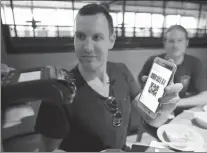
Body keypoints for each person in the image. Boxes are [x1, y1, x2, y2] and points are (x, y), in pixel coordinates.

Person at [35, 4, 183, 152]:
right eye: (80, 36)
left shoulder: (121, 71)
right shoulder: (57, 94)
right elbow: (46, 151)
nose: (87, 47)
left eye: (96, 37)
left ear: (111, 40)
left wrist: (164, 110)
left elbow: (151, 119)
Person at [138, 25, 207, 116]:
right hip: (155, 114)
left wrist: (173, 103)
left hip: (183, 114)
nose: (175, 45)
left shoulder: (195, 63)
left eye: (180, 40)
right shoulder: (153, 62)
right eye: (171, 41)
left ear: (187, 42)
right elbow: (140, 90)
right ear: (164, 43)